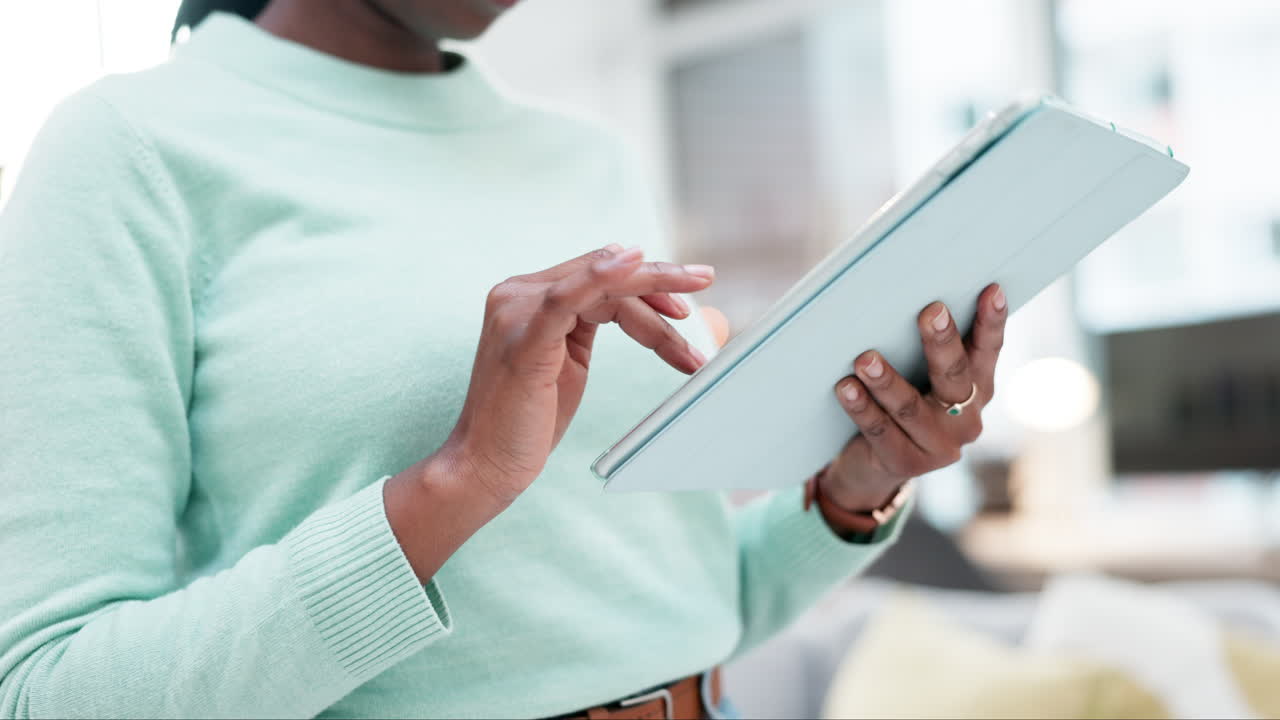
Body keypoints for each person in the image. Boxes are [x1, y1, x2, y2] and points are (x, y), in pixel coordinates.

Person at [0, 1, 1009, 717]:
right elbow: (50, 691)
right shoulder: (129, 151)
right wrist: (458, 480)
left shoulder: (590, 157)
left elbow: (692, 601)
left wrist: (856, 485)